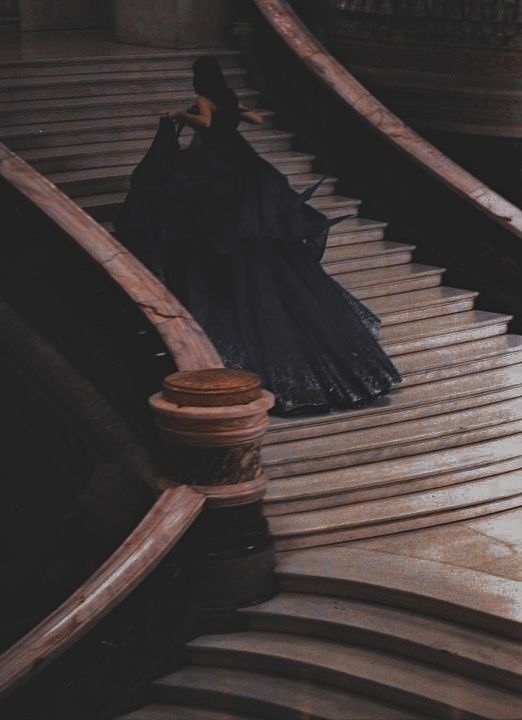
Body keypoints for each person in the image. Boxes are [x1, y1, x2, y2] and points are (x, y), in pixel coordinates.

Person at [116, 57, 401, 415]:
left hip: (217, 169)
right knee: (254, 237)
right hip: (242, 166)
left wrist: (180, 115)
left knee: (217, 228)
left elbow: (204, 121)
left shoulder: (204, 100)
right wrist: (230, 119)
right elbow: (256, 119)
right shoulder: (230, 100)